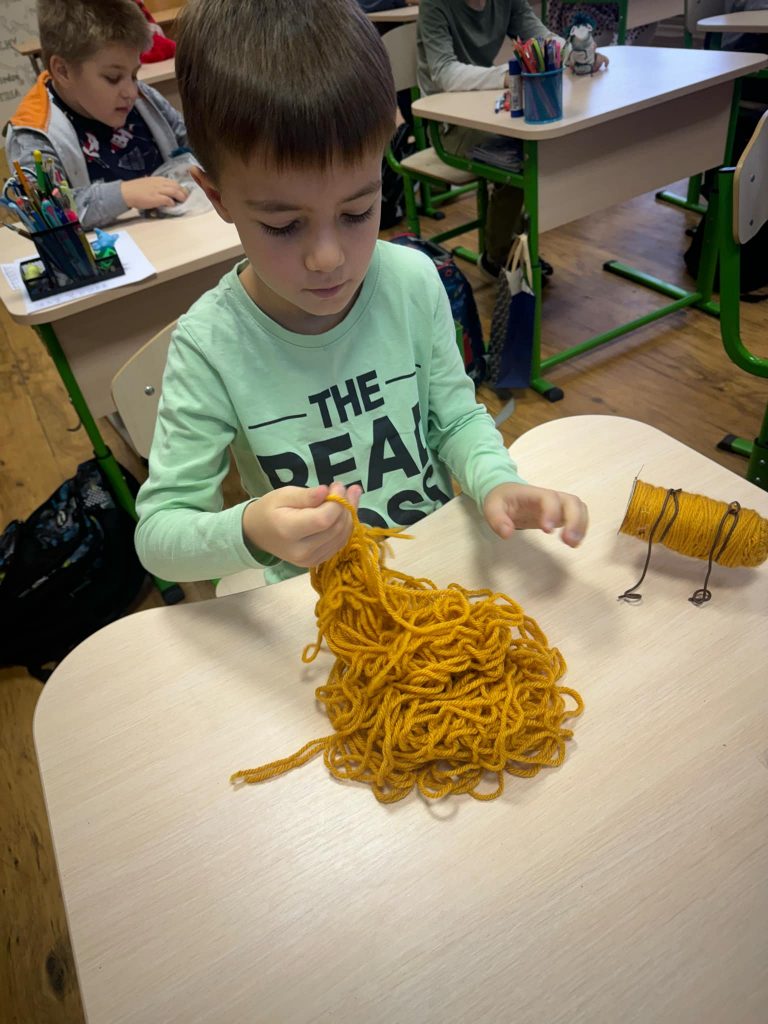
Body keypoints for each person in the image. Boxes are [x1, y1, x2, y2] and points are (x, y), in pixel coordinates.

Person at [134, 0, 588, 588]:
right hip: (321, 604)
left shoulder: (411, 282)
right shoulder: (210, 345)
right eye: (283, 225)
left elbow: (454, 420)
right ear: (218, 197)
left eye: (357, 211)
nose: (329, 258)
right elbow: (160, 535)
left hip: (433, 576)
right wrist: (249, 532)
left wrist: (496, 480)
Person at [4, 0, 188, 230]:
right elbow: (45, 212)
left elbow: (191, 145)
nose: (131, 91)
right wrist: (124, 194)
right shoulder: (33, 133)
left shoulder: (145, 100)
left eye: (134, 75)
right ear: (63, 71)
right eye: (113, 78)